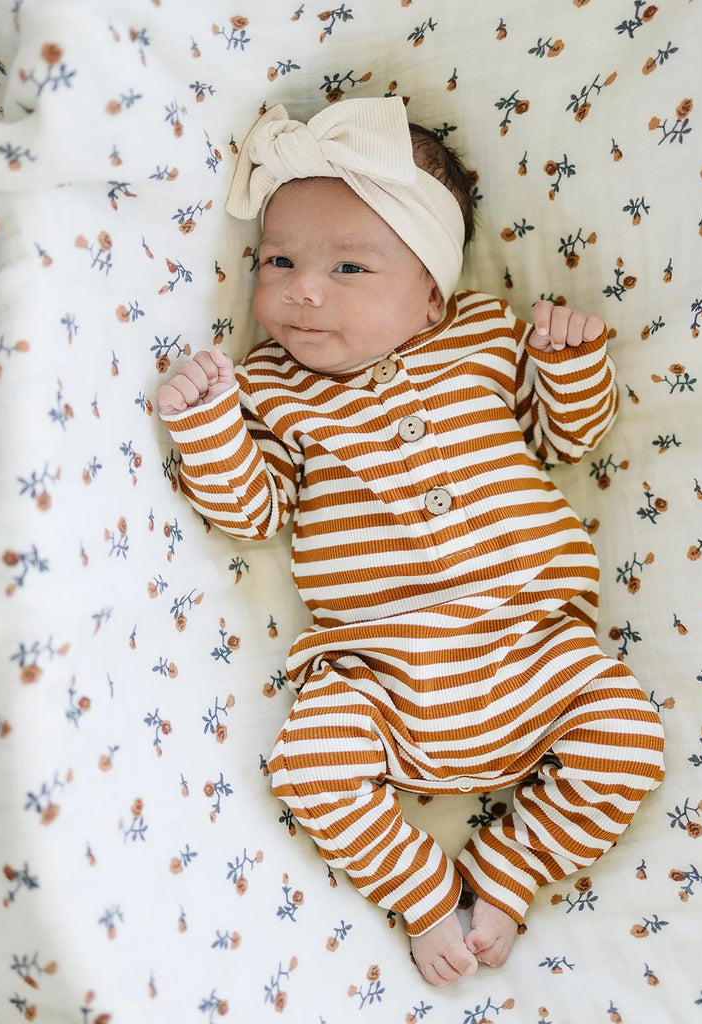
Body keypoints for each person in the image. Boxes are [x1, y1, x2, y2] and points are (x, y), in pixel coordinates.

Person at [157, 97, 665, 987]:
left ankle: (509, 875)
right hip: (379, 670)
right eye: (279, 260)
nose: (300, 288)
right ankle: (425, 894)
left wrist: (571, 363)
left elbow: (565, 439)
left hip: (534, 645)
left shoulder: (482, 335)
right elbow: (252, 514)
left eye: (349, 266)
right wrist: (208, 429)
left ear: (431, 291)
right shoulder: (273, 388)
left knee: (627, 740)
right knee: (306, 766)